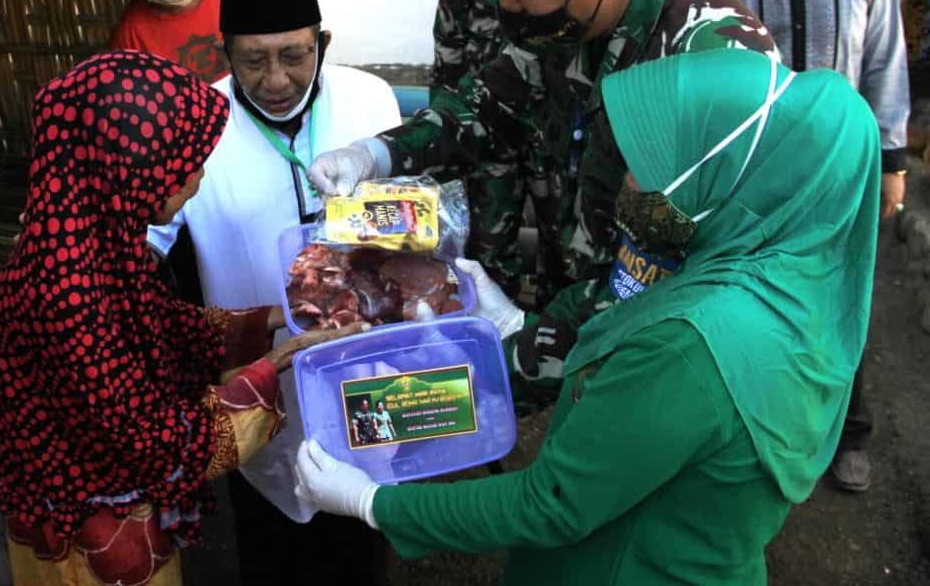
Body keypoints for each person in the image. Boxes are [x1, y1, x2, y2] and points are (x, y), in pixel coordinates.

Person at [296, 48, 881, 586]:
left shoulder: (691, 344)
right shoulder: (791, 286)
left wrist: (372, 501)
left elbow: (551, 502)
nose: (626, 181)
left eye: (654, 162)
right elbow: (647, 412)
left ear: (729, 179)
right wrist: (518, 331)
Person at [309, 0, 778, 405]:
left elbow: (668, 278)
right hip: (573, 289)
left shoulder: (715, 61)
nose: (507, 6)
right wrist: (377, 153)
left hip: (662, 358)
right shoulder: (568, 19)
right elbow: (485, 108)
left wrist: (518, 352)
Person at [0, 50, 362, 586]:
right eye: (184, 164)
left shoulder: (88, 240)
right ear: (126, 170)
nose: (198, 178)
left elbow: (159, 325)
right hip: (90, 546)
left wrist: (277, 317)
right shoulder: (66, 293)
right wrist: (267, 372)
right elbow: (152, 440)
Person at [149, 0, 402, 585]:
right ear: (224, 53)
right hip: (258, 378)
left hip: (366, 365)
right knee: (271, 546)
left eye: (295, 55)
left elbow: (407, 220)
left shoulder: (370, 99)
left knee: (365, 535)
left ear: (324, 42)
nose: (277, 79)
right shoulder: (197, 121)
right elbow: (146, 237)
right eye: (253, 61)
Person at [719, 0, 910, 493]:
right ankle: (774, 428)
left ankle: (850, 432)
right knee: (768, 299)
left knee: (843, 297)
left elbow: (885, 66)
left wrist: (892, 161)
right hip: (767, 175)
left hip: (845, 169)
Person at [431, 0, 561, 306]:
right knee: (485, 249)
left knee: (561, 244)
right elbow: (448, 44)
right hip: (485, 130)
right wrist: (449, 141)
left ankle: (549, 339)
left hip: (549, 129)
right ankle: (492, 337)